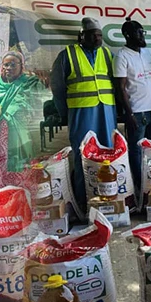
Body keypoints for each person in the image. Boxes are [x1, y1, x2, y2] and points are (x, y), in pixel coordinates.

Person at [49, 17, 116, 212]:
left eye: (100, 35)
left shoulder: (107, 54)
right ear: (81, 36)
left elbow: (115, 82)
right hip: (80, 111)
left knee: (107, 153)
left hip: (106, 111)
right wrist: (65, 113)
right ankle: (83, 202)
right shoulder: (67, 55)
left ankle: (107, 197)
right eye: (93, 35)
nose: (97, 39)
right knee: (83, 155)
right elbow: (57, 86)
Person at [113, 18, 151, 192]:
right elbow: (121, 88)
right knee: (137, 151)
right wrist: (129, 114)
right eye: (138, 33)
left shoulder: (146, 53)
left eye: (143, 32)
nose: (142, 36)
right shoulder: (121, 56)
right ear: (127, 35)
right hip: (137, 112)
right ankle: (141, 188)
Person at [0, 50, 45, 189]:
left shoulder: (29, 83)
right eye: (6, 65)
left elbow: (26, 105)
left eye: (13, 65)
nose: (9, 68)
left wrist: (1, 114)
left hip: (20, 140)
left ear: (21, 66)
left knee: (21, 177)